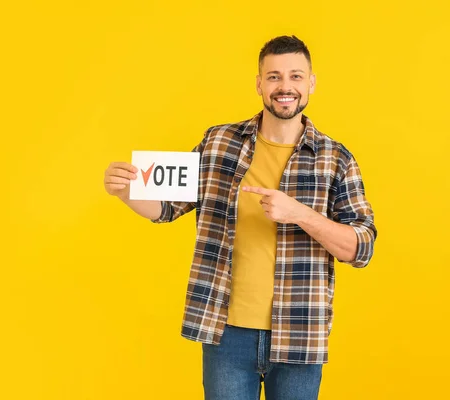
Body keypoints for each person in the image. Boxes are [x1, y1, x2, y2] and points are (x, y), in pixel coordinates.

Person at [103, 35, 377, 400]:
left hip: (300, 333)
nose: (285, 87)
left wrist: (299, 214)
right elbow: (167, 208)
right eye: (274, 76)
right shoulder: (218, 142)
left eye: (296, 76)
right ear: (259, 83)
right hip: (226, 333)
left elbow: (360, 248)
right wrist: (127, 193)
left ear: (311, 83)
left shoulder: (336, 158)